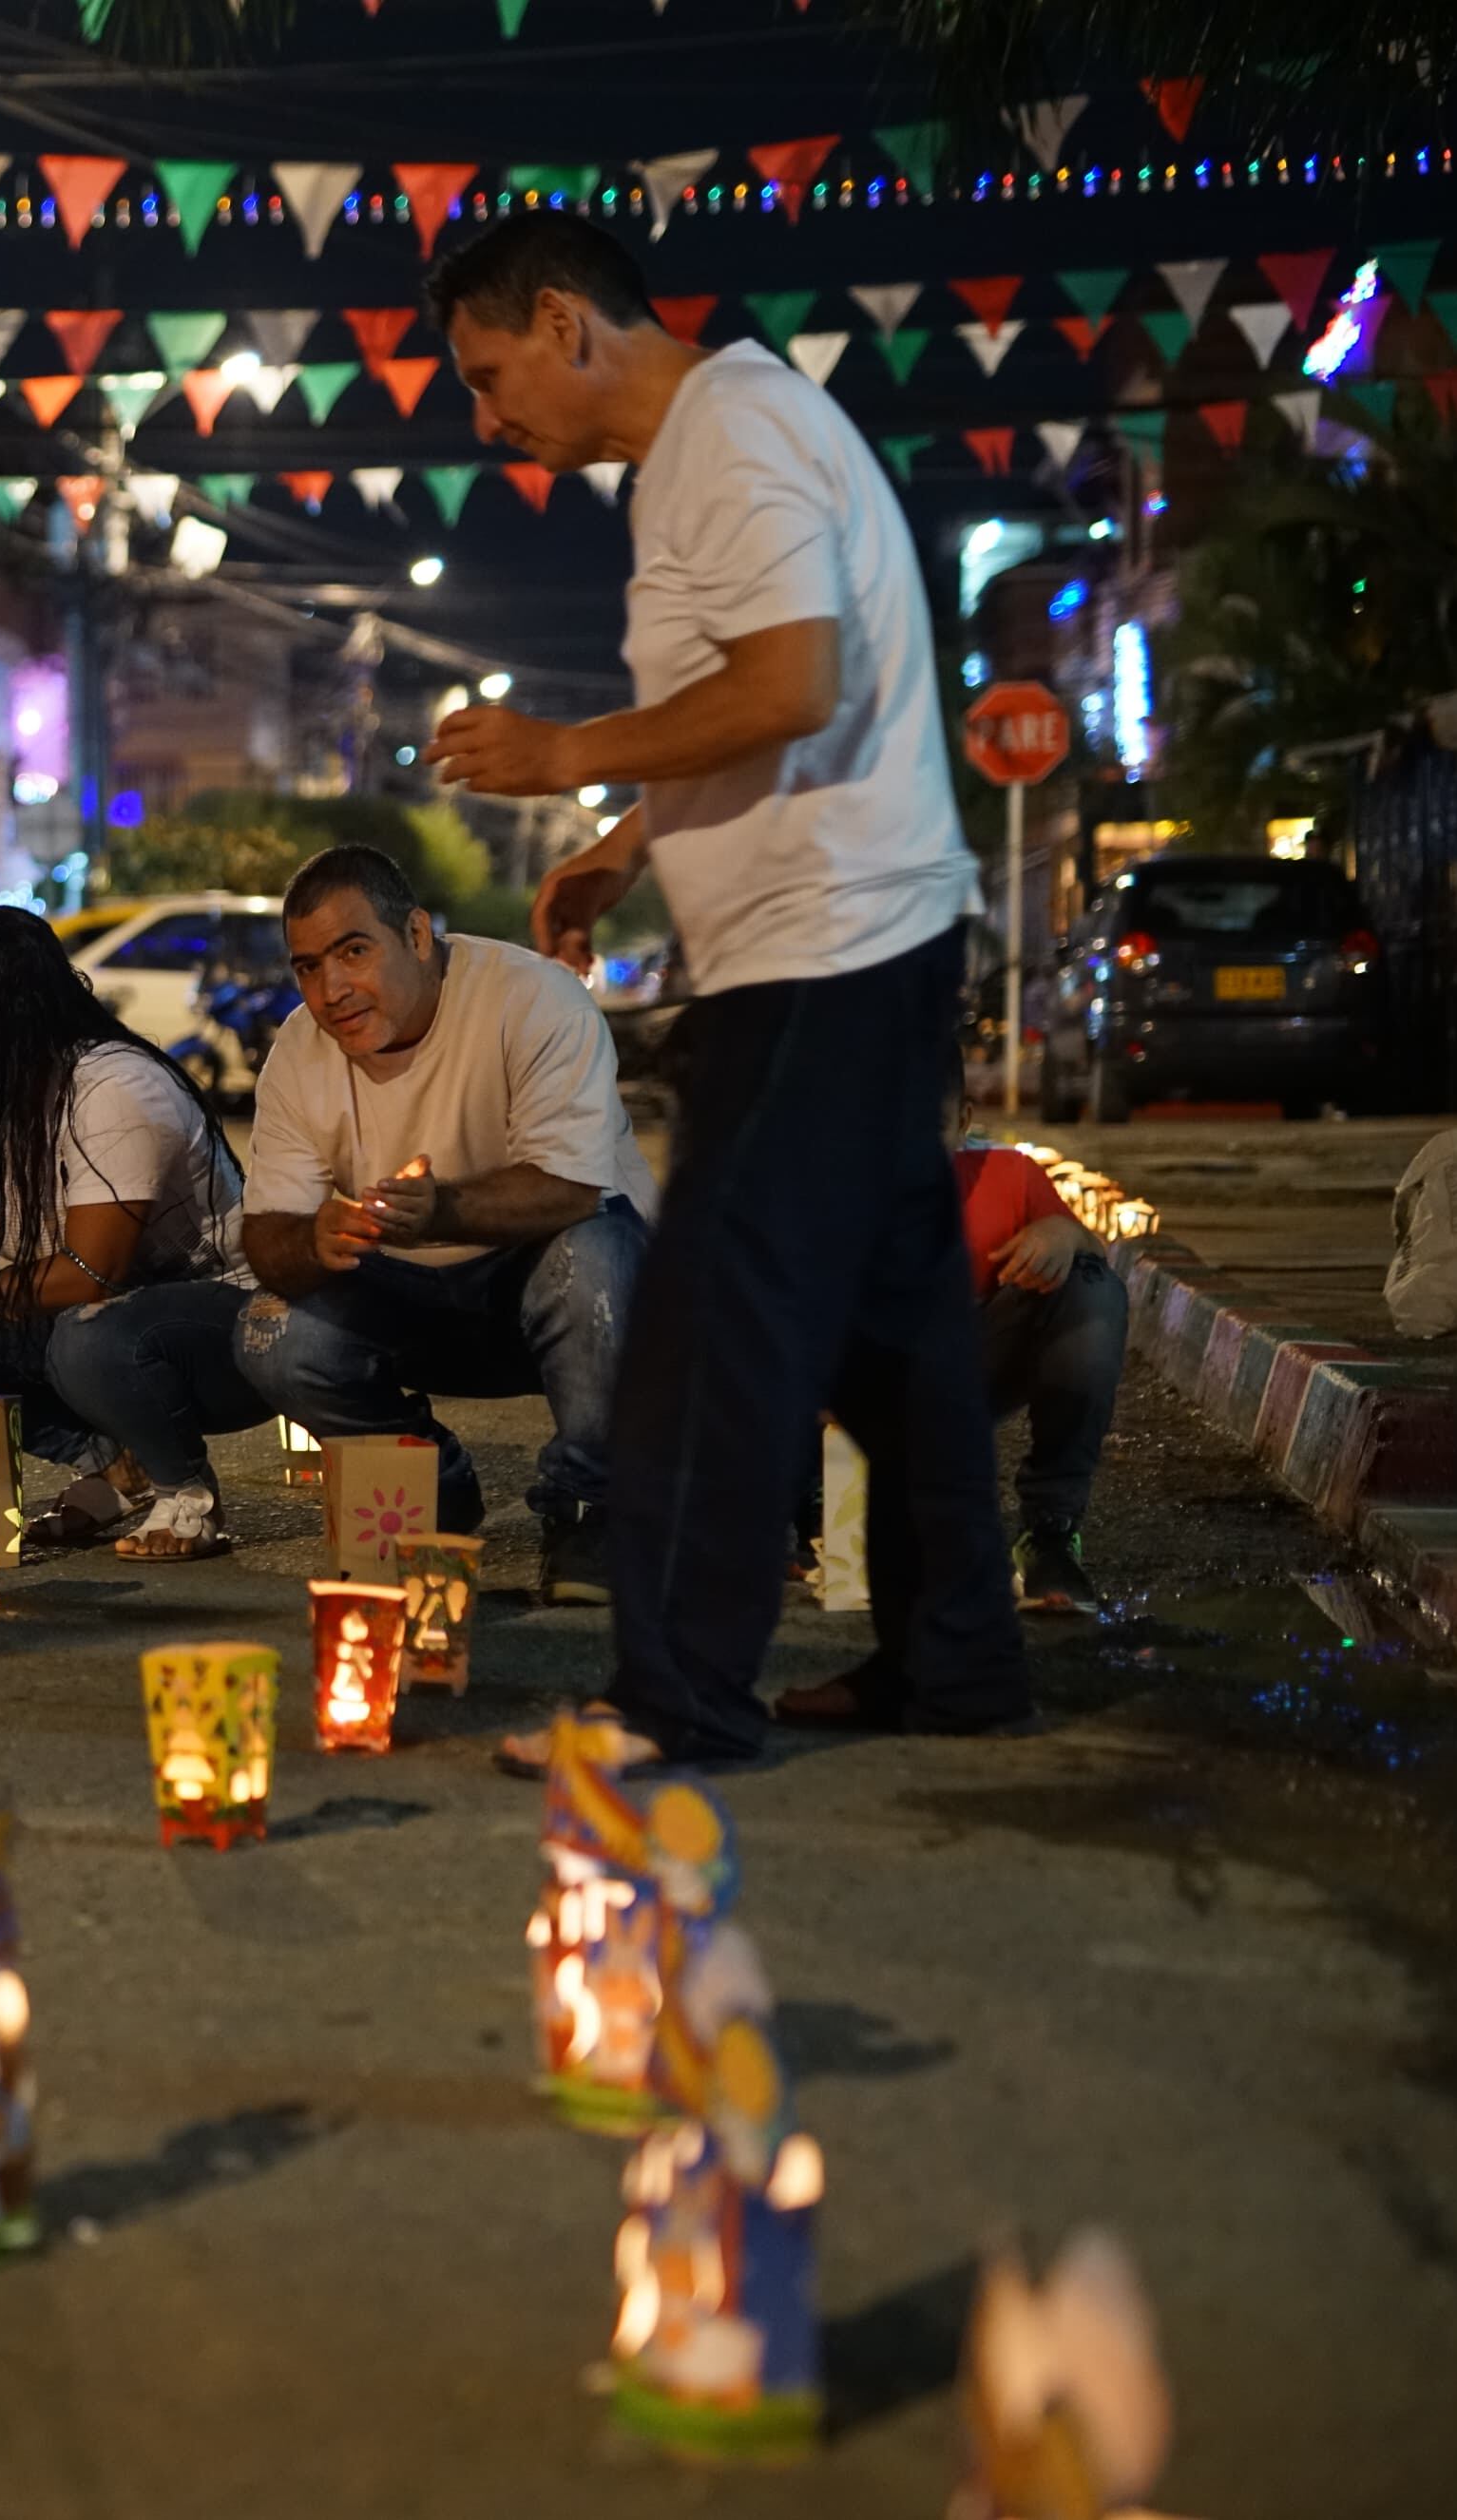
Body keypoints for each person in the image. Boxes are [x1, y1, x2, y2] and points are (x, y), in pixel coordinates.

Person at [417, 208, 1028, 1765]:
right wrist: (628, 839)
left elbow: (790, 683)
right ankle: (955, 1665)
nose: (488, 422)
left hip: (819, 947)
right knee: (891, 1339)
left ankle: (671, 1691)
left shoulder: (727, 435)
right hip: (861, 934)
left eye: (490, 377)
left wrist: (564, 756)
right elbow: (762, 702)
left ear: (566, 322)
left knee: (708, 1319)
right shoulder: (723, 436)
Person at [234, 844, 655, 1605]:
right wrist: (312, 1240)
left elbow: (569, 1189)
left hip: (559, 1282)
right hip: (409, 1294)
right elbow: (267, 1234)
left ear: (419, 936)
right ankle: (427, 1491)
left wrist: (444, 1210)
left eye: (353, 952)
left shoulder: (532, 998)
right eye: (306, 967)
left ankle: (593, 1509)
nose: (331, 990)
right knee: (270, 1331)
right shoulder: (298, 1051)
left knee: (597, 1256)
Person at [0, 906, 259, 1561]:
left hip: (219, 1324)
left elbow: (93, 1274)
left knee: (86, 1333)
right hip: (97, 1317)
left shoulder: (113, 1086)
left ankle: (188, 1497)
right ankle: (116, 1464)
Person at [951, 1131, 1122, 1615]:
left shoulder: (1007, 1173)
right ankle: (805, 1508)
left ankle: (1050, 1532)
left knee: (1092, 1287)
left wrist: (1062, 1235)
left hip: (962, 1372)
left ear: (962, 1119)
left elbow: (1094, 1249)